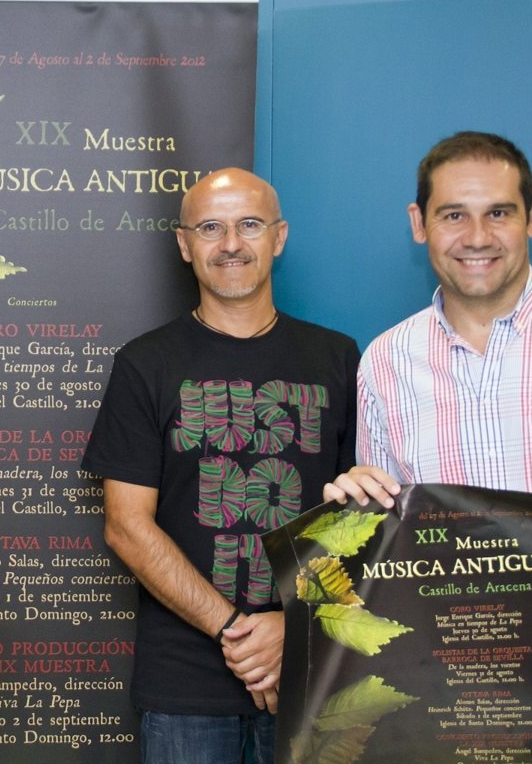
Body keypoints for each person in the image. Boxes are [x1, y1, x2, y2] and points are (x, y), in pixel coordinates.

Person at [323, 130, 532, 764]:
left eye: (499, 212)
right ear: (419, 224)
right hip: (444, 679)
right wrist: (353, 514)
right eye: (453, 214)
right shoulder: (385, 363)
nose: (477, 236)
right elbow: (392, 546)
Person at [81, 168, 359, 763]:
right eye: (210, 228)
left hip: (313, 668)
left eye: (249, 224)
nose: (231, 243)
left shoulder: (337, 358)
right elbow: (126, 525)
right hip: (184, 682)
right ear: (185, 245)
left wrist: (291, 628)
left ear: (279, 236)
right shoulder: (144, 364)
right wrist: (236, 630)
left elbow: (360, 517)